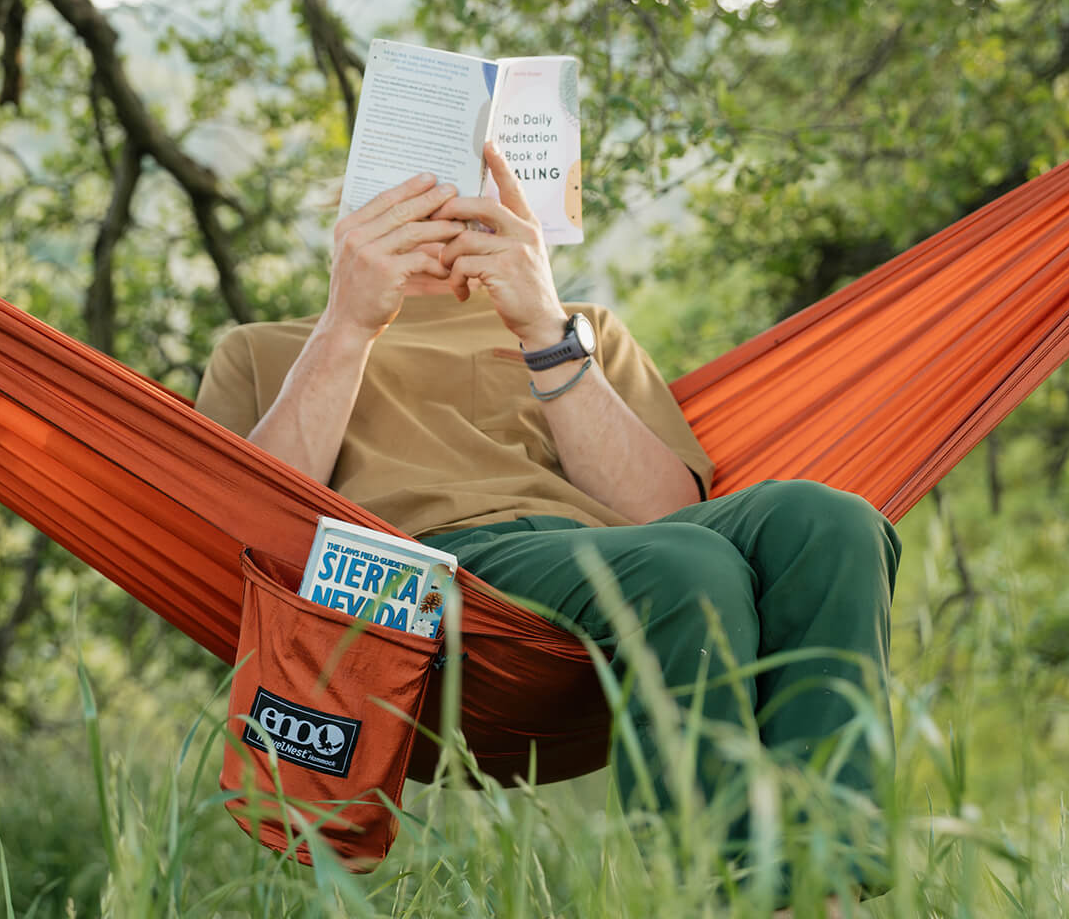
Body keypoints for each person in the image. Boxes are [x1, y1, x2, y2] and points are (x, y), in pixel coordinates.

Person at [194, 144, 899, 908]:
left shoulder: (583, 329)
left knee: (832, 522)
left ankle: (824, 879)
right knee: (687, 567)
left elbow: (666, 508)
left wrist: (541, 324)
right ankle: (721, 891)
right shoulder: (264, 350)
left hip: (617, 553)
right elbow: (244, 531)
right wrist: (350, 322)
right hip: (429, 583)